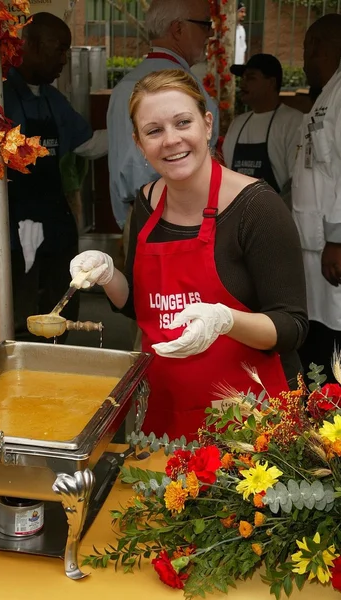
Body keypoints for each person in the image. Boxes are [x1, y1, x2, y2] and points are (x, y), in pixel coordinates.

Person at [70, 69, 308, 441]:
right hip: (165, 416)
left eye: (183, 123)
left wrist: (225, 320)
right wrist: (107, 276)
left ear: (207, 124)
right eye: (154, 131)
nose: (171, 140)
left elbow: (292, 327)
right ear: (138, 143)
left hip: (251, 427)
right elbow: (142, 307)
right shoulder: (146, 203)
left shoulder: (257, 207)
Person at [0, 13, 101, 358]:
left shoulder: (52, 99)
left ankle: (53, 369)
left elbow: (87, 144)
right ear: (30, 46)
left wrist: (136, 134)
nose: (64, 59)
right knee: (17, 318)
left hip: (54, 224)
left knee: (59, 312)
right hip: (11, 228)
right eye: (59, 49)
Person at [107, 0, 219, 232]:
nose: (210, 33)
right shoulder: (192, 90)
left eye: (182, 123)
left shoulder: (122, 88)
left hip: (135, 217)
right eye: (205, 24)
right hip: (184, 222)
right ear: (178, 29)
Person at [292, 14, 341, 381]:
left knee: (333, 344)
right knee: (317, 338)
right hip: (313, 247)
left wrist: (338, 240)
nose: (305, 58)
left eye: (309, 47)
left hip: (332, 250)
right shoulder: (326, 96)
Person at [223, 54, 303, 196]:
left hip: (277, 214)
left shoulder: (293, 122)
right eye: (243, 78)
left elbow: (296, 183)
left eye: (251, 78)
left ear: (271, 83)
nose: (242, 84)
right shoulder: (237, 124)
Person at [235, 2, 247, 66]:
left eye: (244, 12)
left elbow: (243, 49)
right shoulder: (229, 30)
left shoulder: (242, 29)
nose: (244, 14)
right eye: (241, 12)